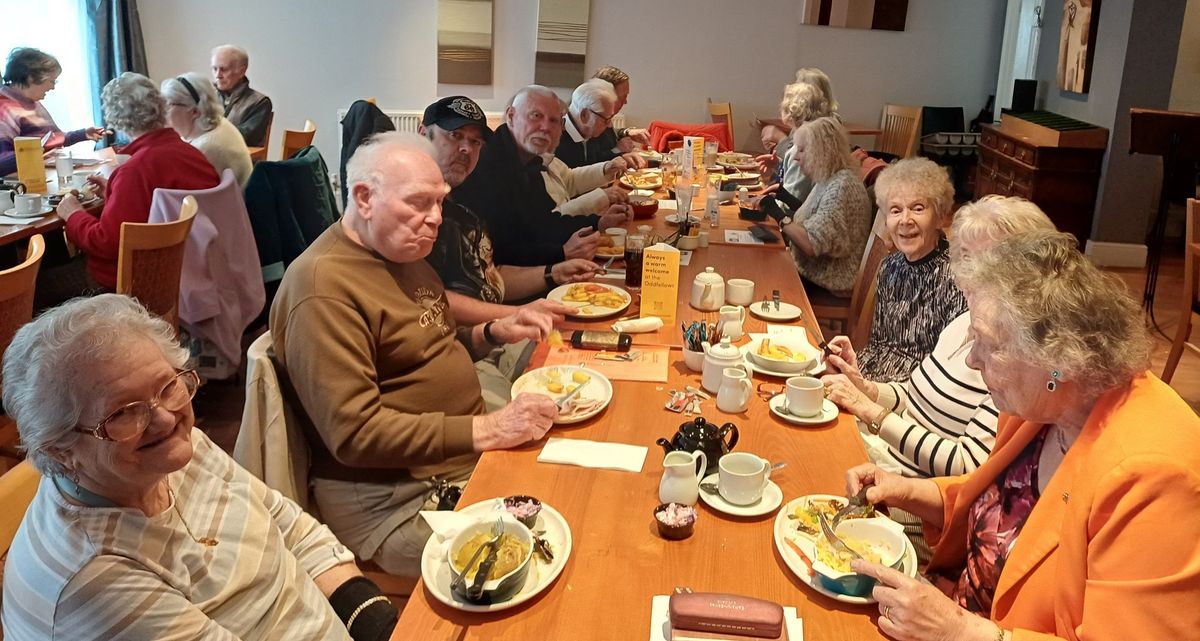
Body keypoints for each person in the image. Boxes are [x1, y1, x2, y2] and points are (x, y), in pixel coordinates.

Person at [844, 230, 1200, 641]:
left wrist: (960, 632)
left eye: (988, 344)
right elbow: (1005, 508)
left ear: (1059, 360)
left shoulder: (1157, 478)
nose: (973, 360)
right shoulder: (1041, 406)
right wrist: (906, 489)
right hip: (944, 606)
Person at [1, 294, 398, 641]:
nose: (165, 418)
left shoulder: (164, 454)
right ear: (60, 451)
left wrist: (374, 621)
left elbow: (286, 525)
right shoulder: (93, 579)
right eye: (123, 413)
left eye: (168, 385)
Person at [270, 131, 560, 577]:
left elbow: (429, 347)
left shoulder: (401, 252)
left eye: (440, 202)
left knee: (571, 472)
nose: (435, 218)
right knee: (545, 546)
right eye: (419, 203)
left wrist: (491, 331)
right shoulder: (322, 289)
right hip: (398, 502)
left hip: (455, 459)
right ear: (364, 198)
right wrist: (486, 430)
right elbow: (355, 434)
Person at [55, 72, 219, 293]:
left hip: (132, 284)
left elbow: (107, 243)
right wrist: (114, 193)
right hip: (193, 272)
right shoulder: (191, 154)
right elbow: (157, 208)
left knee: (40, 287)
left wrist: (72, 214)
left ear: (114, 119)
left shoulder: (135, 170)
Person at [453, 85, 628, 267]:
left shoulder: (530, 161)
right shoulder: (487, 164)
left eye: (553, 121)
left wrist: (598, 223)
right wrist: (562, 253)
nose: (545, 127)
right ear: (511, 116)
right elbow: (501, 252)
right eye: (536, 116)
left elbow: (545, 222)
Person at [847, 158, 966, 382]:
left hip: (914, 395)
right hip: (875, 383)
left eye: (917, 208)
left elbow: (945, 372)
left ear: (940, 216)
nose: (905, 220)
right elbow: (878, 345)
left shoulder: (957, 278)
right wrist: (851, 370)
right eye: (895, 210)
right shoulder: (890, 267)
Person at [776, 116, 869, 295]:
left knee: (764, 273)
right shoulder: (830, 178)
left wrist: (780, 217)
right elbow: (816, 216)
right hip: (813, 271)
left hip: (829, 280)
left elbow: (812, 243)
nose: (795, 157)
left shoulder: (842, 186)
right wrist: (784, 197)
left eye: (802, 150)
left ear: (820, 152)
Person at [0, 47, 104, 175]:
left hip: (41, 174)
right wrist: (35, 155)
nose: (52, 87)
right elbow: (2, 161)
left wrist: (83, 134)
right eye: (51, 81)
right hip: (22, 183)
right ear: (31, 78)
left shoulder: (31, 102)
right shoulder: (4, 109)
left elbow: (48, 139)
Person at [161, 72, 253, 187]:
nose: (162, 112)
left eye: (168, 105)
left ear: (194, 111)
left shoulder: (205, 147)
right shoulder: (219, 122)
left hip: (230, 204)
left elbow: (186, 194)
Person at [555, 78, 643, 170]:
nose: (609, 125)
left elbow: (593, 163)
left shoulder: (588, 130)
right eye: (606, 119)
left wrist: (619, 160)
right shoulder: (555, 141)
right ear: (584, 115)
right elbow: (570, 180)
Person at [211, 44, 273, 147]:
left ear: (242, 71)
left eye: (224, 69)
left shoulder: (260, 102)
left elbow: (242, 137)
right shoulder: (206, 97)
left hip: (238, 160)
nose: (218, 75)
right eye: (214, 69)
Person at [586, 65, 650, 159]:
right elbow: (590, 162)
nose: (625, 102)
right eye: (623, 96)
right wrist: (617, 149)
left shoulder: (603, 116)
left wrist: (627, 132)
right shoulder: (591, 120)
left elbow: (608, 135)